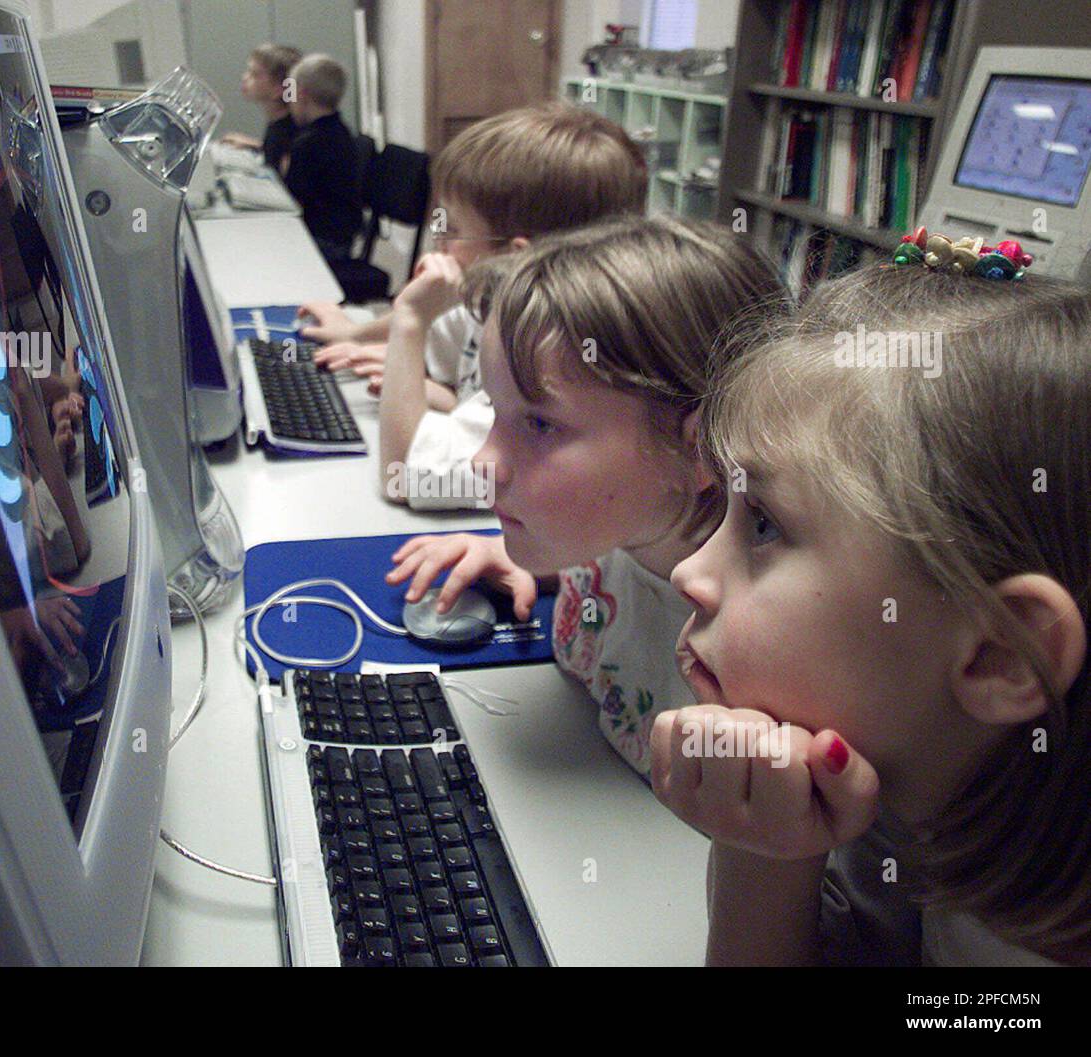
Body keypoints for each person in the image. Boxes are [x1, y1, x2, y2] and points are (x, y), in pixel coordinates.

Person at [650, 235, 1091, 966]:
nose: (689, 571)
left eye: (764, 524)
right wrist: (767, 841)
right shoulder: (892, 791)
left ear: (1000, 654)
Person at [385, 215, 786, 771]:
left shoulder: (756, 678)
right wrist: (512, 554)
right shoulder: (625, 533)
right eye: (496, 411)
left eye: (540, 425)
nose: (482, 463)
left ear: (704, 451)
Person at [351, 104, 649, 509]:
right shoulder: (501, 304)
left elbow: (402, 478)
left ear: (515, 257)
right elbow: (459, 381)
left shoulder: (549, 357)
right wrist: (422, 385)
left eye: (452, 229)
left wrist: (410, 322)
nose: (438, 240)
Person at [284, 53, 361, 263]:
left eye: (290, 94)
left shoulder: (308, 143)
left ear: (302, 94)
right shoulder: (341, 131)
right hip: (342, 237)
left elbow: (290, 200)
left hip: (323, 241)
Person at [219, 44, 302, 172]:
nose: (244, 77)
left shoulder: (288, 134)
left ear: (279, 89)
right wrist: (256, 146)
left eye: (254, 74)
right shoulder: (283, 124)